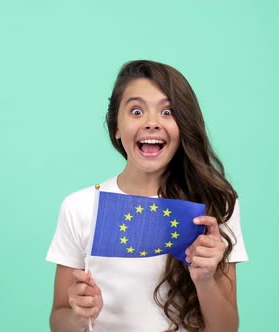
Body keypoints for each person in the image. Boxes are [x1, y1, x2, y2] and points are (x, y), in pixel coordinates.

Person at [46, 60, 248, 332]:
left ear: (183, 125)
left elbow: (227, 329)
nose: (152, 123)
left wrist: (205, 279)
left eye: (167, 111)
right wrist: (79, 315)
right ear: (116, 127)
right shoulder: (80, 207)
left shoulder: (215, 204)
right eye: (137, 111)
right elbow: (59, 321)